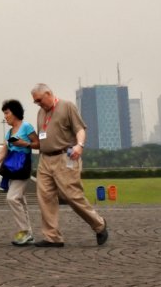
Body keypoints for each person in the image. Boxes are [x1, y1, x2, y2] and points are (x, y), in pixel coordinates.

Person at [31, 83, 108, 247]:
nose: (38, 103)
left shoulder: (67, 106)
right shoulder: (40, 113)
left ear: (48, 93)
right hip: (45, 159)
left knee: (72, 196)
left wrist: (80, 145)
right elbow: (43, 138)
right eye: (35, 101)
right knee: (45, 197)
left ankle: (99, 224)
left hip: (65, 157)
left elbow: (80, 129)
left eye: (39, 100)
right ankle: (52, 237)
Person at [0, 99, 37, 244]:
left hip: (22, 167)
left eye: (7, 113)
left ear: (15, 112)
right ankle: (28, 233)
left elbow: (38, 144)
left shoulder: (26, 127)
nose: (5, 116)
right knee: (20, 200)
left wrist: (24, 143)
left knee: (12, 198)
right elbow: (2, 153)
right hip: (12, 169)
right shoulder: (9, 133)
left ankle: (24, 231)